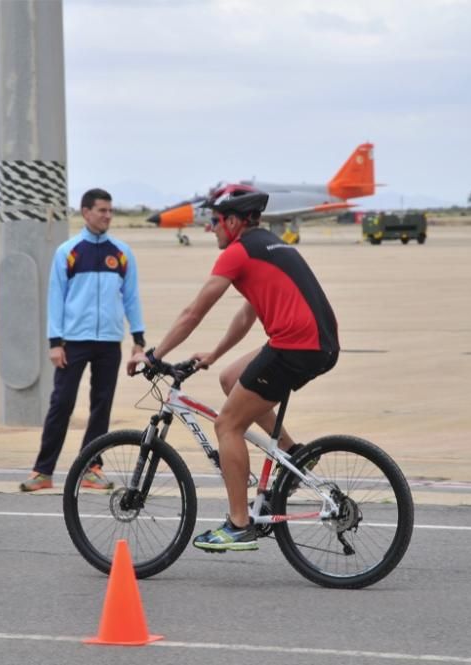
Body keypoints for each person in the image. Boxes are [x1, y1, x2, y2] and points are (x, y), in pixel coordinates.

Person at [128, 185, 339, 551]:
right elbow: (249, 313)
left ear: (232, 222)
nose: (211, 229)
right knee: (229, 378)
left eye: (214, 222)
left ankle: (239, 524)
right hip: (315, 343)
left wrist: (152, 355)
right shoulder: (270, 245)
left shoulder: (238, 252)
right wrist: (213, 353)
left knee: (227, 424)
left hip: (296, 347)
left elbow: (194, 312)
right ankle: (295, 454)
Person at [20, 188, 146, 492]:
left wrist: (138, 338)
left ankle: (92, 468)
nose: (107, 216)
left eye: (110, 210)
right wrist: (55, 342)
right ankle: (43, 471)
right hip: (73, 341)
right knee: (61, 403)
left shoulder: (122, 253)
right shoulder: (69, 251)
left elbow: (131, 298)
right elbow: (56, 299)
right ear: (86, 212)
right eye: (102, 210)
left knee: (101, 405)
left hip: (109, 342)